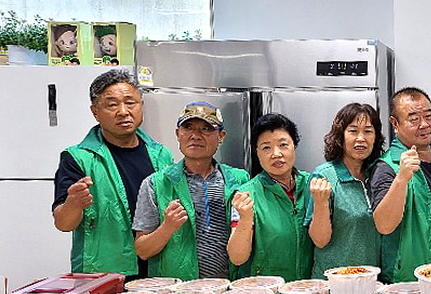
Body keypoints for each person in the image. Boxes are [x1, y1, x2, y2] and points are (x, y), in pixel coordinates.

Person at [52, 69, 174, 278]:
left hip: (156, 269)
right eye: (112, 104)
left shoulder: (161, 155)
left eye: (130, 102)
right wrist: (74, 202)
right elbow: (64, 224)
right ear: (95, 112)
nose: (123, 111)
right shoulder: (78, 158)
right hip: (104, 274)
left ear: (141, 106)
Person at [132, 102, 249, 280]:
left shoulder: (239, 180)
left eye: (206, 129)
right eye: (188, 128)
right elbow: (142, 251)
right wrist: (167, 227)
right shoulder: (155, 184)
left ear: (221, 136)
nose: (196, 135)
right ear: (178, 134)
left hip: (230, 290)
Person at [371, 87, 431, 283]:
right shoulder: (387, 166)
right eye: (414, 119)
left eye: (429, 116)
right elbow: (384, 225)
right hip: (408, 277)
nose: (424, 124)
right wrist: (402, 178)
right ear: (395, 123)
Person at [227, 113, 312, 282]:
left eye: (283, 145)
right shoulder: (246, 194)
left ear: (294, 146)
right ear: (257, 153)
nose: (276, 153)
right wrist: (245, 218)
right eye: (266, 147)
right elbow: (237, 258)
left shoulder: (313, 186)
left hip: (308, 289)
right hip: (265, 292)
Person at [306, 103, 385, 278]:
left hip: (371, 283)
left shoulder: (378, 175)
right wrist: (320, 203)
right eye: (353, 130)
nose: (361, 138)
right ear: (340, 136)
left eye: (368, 131)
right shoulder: (324, 176)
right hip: (334, 283)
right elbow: (320, 240)